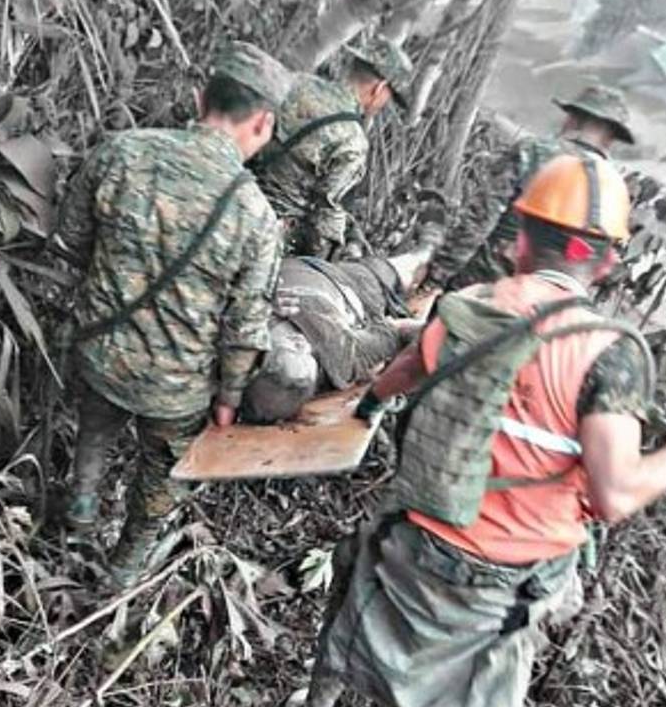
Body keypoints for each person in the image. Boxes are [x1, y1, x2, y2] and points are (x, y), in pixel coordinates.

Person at [292, 154, 666, 707]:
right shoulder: (609, 351)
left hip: (415, 538)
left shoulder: (463, 306)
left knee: (357, 578)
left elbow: (403, 371)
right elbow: (615, 494)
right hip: (507, 576)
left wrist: (372, 406)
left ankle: (320, 701)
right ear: (605, 261)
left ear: (521, 236)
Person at [54, 42, 288, 587]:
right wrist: (229, 401)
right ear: (264, 122)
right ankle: (123, 572)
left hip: (99, 354)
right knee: (161, 477)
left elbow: (67, 242)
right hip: (176, 388)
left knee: (94, 430)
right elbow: (244, 328)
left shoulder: (122, 151)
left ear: (201, 97)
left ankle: (76, 525)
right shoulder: (255, 215)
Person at [431, 84, 636, 287]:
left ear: (576, 119)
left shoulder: (533, 152)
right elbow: (602, 260)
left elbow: (480, 219)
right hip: (551, 298)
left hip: (485, 281)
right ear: (611, 137)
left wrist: (437, 275)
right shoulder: (614, 186)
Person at [242, 232, 442, 424]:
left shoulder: (241, 331)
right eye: (302, 350)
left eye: (293, 346)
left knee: (402, 270)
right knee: (394, 276)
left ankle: (425, 252)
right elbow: (407, 331)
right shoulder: (341, 355)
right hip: (333, 281)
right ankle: (422, 253)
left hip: (347, 281)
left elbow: (405, 331)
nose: (300, 343)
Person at [254, 37, 413, 258]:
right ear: (379, 88)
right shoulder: (353, 141)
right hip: (269, 233)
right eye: (389, 97)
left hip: (237, 191)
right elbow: (325, 214)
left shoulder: (295, 82)